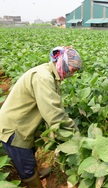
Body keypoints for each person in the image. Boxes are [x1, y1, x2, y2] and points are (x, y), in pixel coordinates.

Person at [0, 46, 82, 187]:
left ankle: (36, 174)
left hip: (25, 123)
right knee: (26, 168)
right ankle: (35, 183)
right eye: (72, 70)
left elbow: (53, 106)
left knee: (30, 154)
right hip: (14, 128)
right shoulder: (43, 77)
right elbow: (53, 113)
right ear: (62, 62)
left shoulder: (50, 74)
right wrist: (76, 138)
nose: (72, 74)